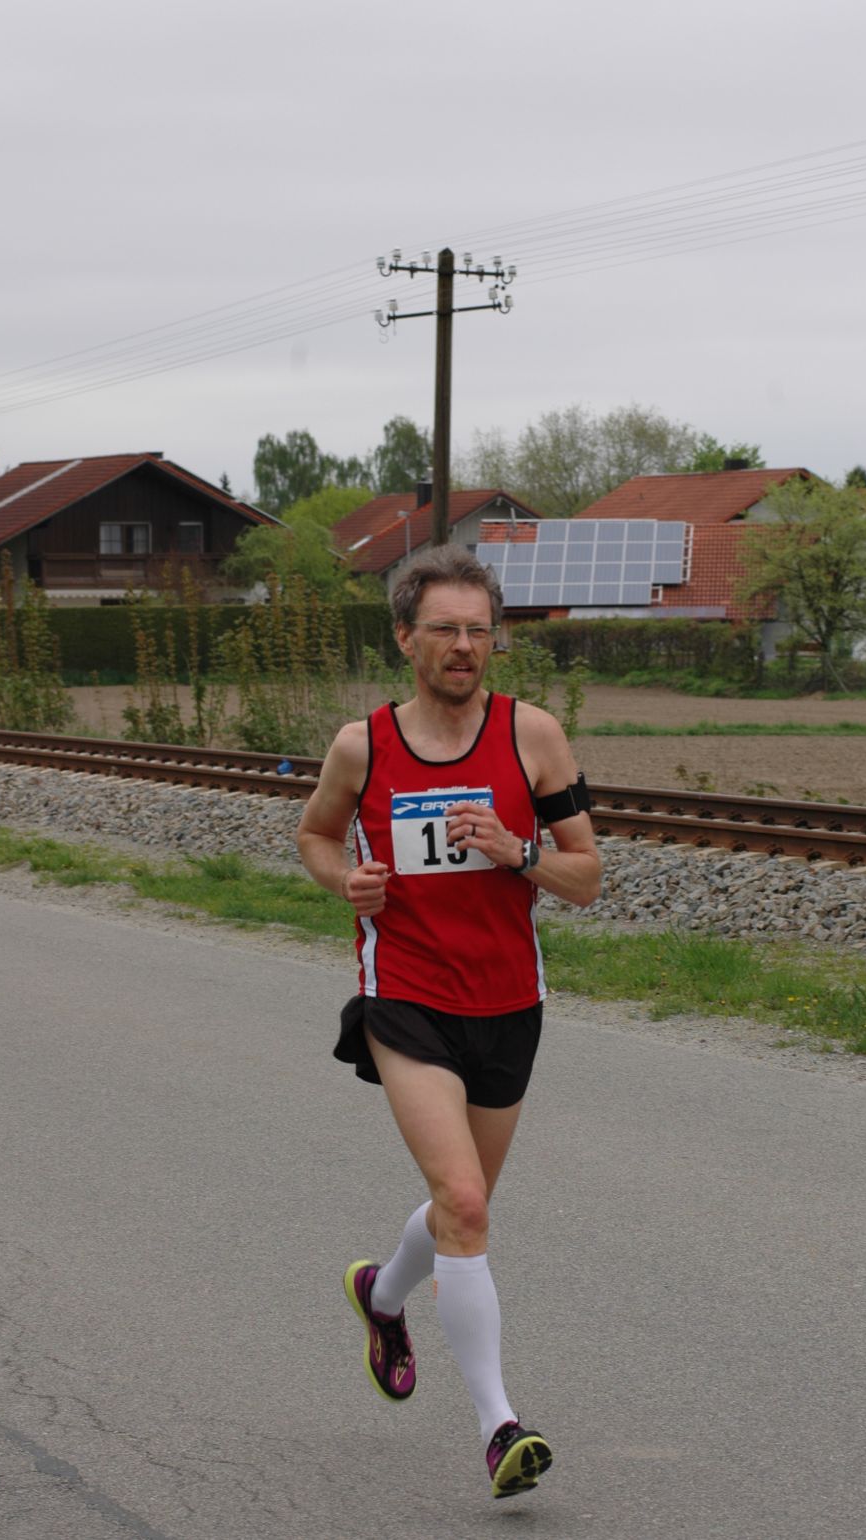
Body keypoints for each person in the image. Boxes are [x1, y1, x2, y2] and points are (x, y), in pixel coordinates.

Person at [296, 545, 600, 1499]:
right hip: (406, 997)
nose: (464, 646)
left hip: (508, 1002)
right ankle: (499, 1426)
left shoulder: (533, 736)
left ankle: (381, 1294)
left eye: (479, 630)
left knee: (458, 1206)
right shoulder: (363, 746)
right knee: (464, 1204)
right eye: (444, 630)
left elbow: (587, 877)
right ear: (405, 638)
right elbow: (314, 834)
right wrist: (343, 880)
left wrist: (518, 853)